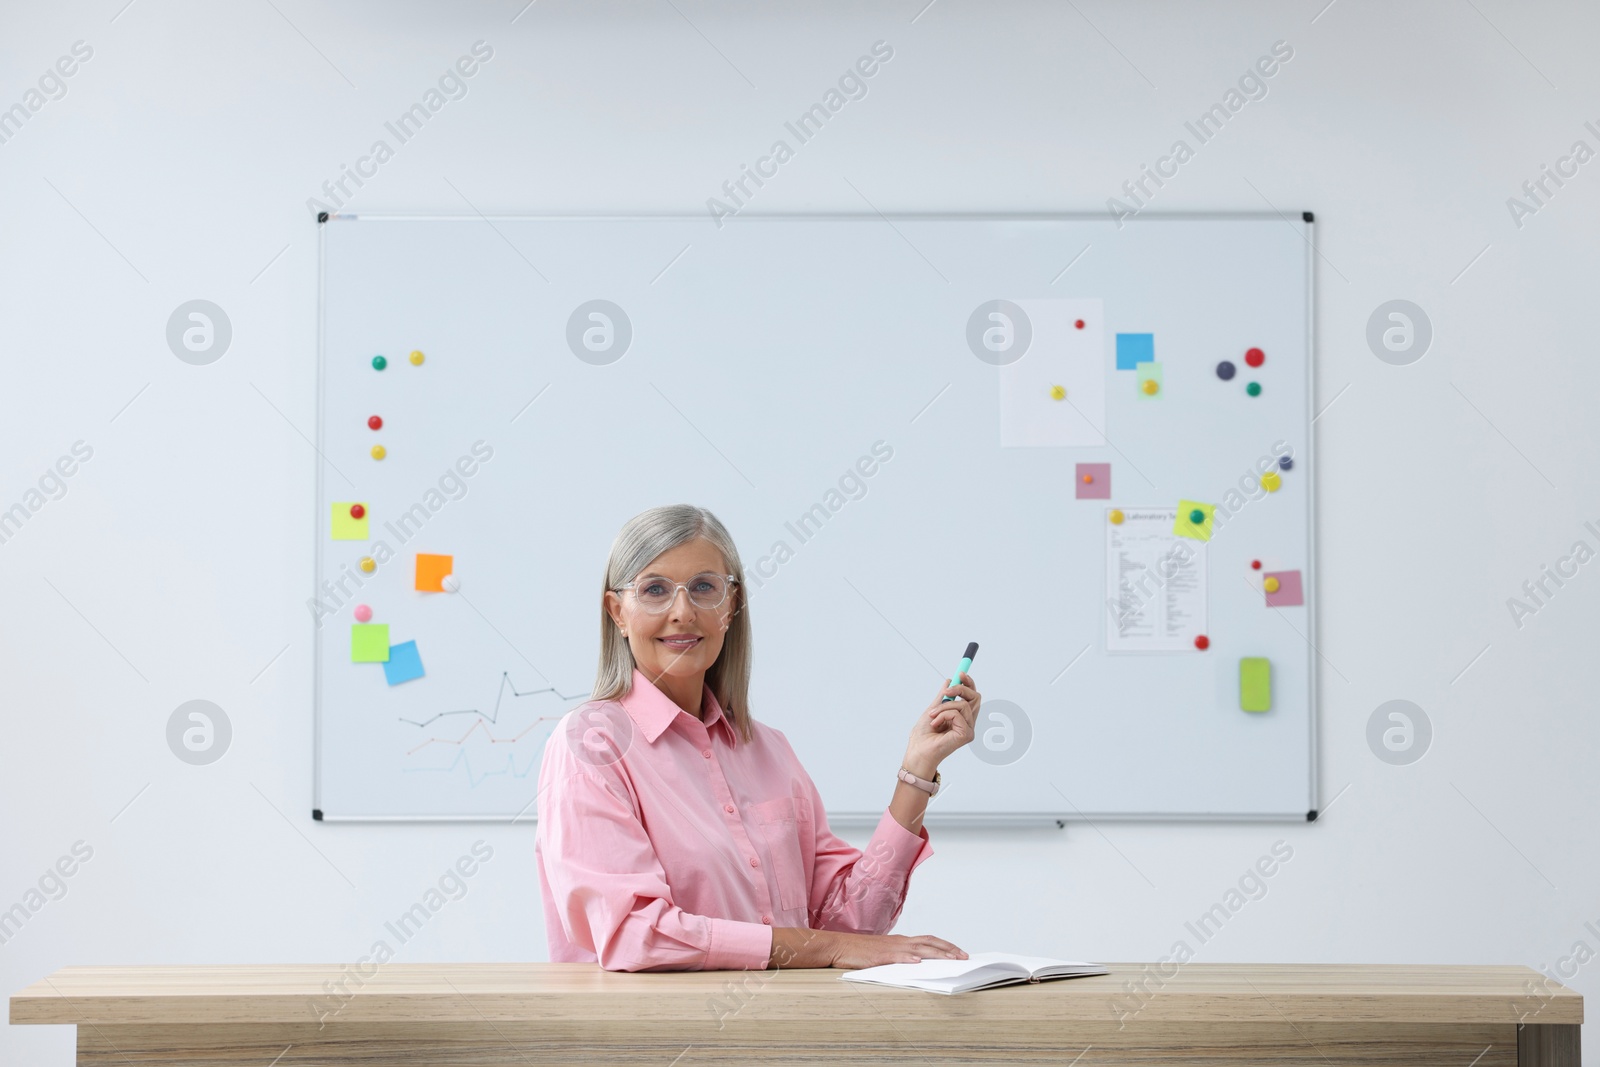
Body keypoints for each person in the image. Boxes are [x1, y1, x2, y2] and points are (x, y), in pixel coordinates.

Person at [535, 503, 981, 972]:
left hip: (780, 1035)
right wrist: (821, 948)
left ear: (730, 607)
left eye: (704, 588)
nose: (682, 612)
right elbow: (635, 936)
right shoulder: (591, 746)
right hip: (652, 1040)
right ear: (617, 612)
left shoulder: (769, 750)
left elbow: (851, 932)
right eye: (655, 590)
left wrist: (917, 772)